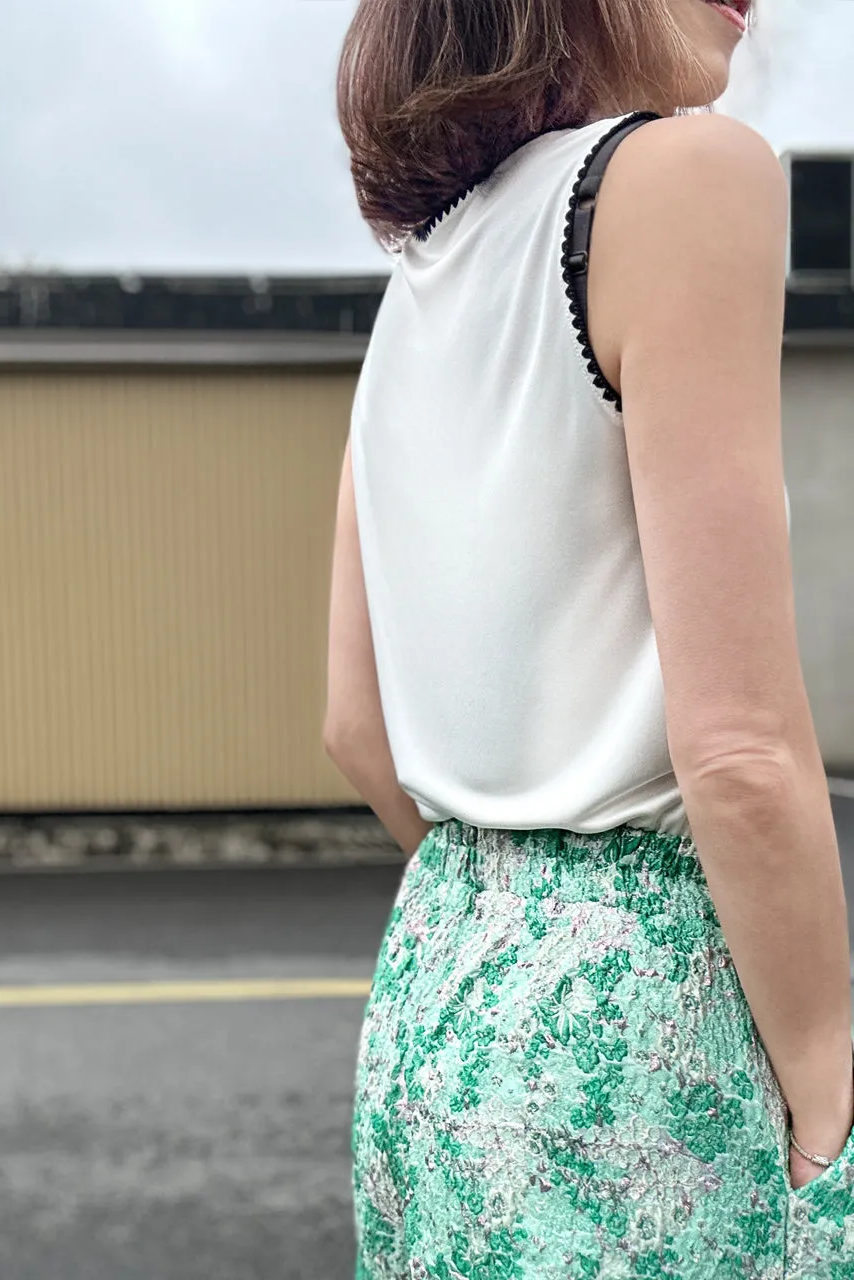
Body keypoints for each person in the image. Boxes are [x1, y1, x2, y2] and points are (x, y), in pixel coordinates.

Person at [324, 0, 854, 1274]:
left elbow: (355, 728)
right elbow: (734, 748)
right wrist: (829, 1071)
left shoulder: (429, 268)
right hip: (642, 1022)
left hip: (435, 991)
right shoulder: (688, 170)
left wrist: (514, 894)